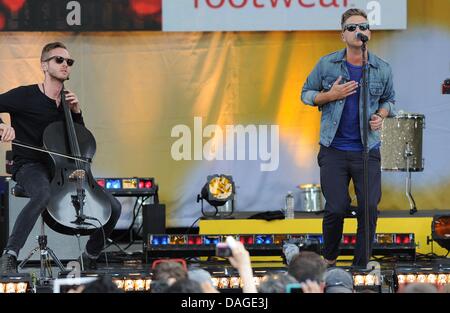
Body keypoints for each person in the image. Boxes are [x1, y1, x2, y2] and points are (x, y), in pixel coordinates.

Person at [0, 42, 122, 273]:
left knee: (113, 207)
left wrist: (77, 114)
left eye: (69, 62)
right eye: (59, 60)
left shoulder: (68, 102)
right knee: (43, 192)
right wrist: (2, 126)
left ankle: (89, 255)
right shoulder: (25, 95)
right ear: (44, 65)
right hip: (30, 165)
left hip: (65, 169)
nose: (65, 64)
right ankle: (10, 254)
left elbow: (81, 144)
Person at [301, 8, 396, 268]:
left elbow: (389, 99)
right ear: (342, 35)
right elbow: (306, 93)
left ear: (369, 33)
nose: (358, 31)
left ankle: (361, 264)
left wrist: (382, 114)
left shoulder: (382, 69)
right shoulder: (326, 64)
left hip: (367, 150)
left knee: (368, 208)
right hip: (334, 149)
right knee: (336, 207)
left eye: (363, 27)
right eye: (352, 28)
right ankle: (329, 259)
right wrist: (329, 95)